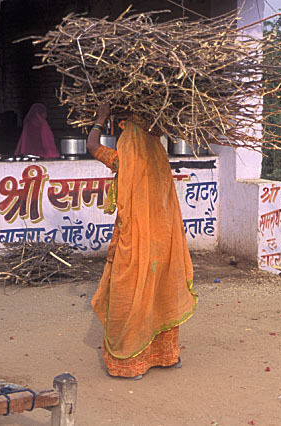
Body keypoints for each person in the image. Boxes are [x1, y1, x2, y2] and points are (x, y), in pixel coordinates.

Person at [87, 103, 197, 379]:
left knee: (129, 292)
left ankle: (129, 362)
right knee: (160, 288)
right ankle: (166, 356)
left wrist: (101, 119)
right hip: (163, 238)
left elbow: (92, 146)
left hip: (134, 240)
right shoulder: (157, 153)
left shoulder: (124, 158)